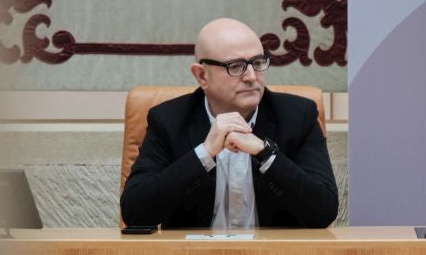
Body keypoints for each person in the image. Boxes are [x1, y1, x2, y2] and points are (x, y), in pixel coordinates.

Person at [119, 17, 338, 230]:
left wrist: (266, 154)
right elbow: (135, 213)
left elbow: (324, 211)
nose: (252, 76)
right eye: (236, 66)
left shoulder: (297, 117)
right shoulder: (169, 120)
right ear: (202, 75)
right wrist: (204, 154)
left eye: (258, 63)